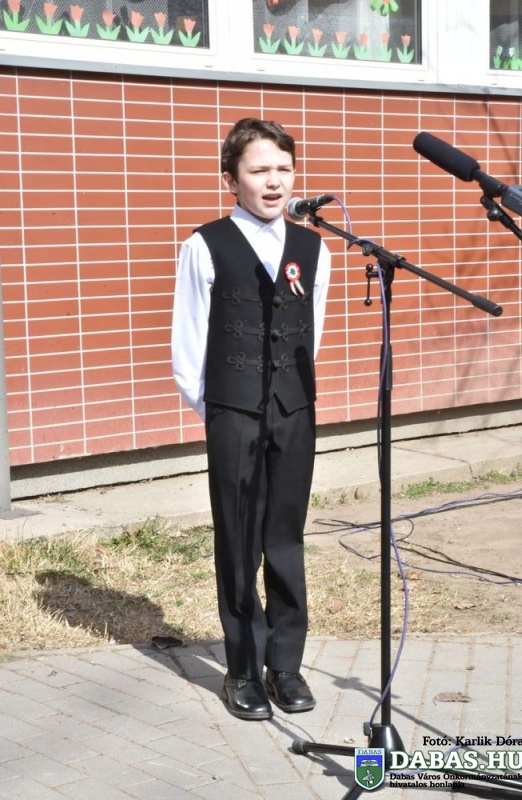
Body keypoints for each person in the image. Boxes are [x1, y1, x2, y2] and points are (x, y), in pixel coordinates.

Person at [172, 117, 331, 721]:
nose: (274, 181)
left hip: (294, 407)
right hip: (232, 410)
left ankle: (285, 665)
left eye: (284, 169)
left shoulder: (313, 248)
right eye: (259, 170)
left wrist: (291, 393)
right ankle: (243, 668)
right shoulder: (205, 244)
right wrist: (218, 408)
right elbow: (188, 339)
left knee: (286, 537)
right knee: (239, 539)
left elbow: (311, 331)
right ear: (231, 179)